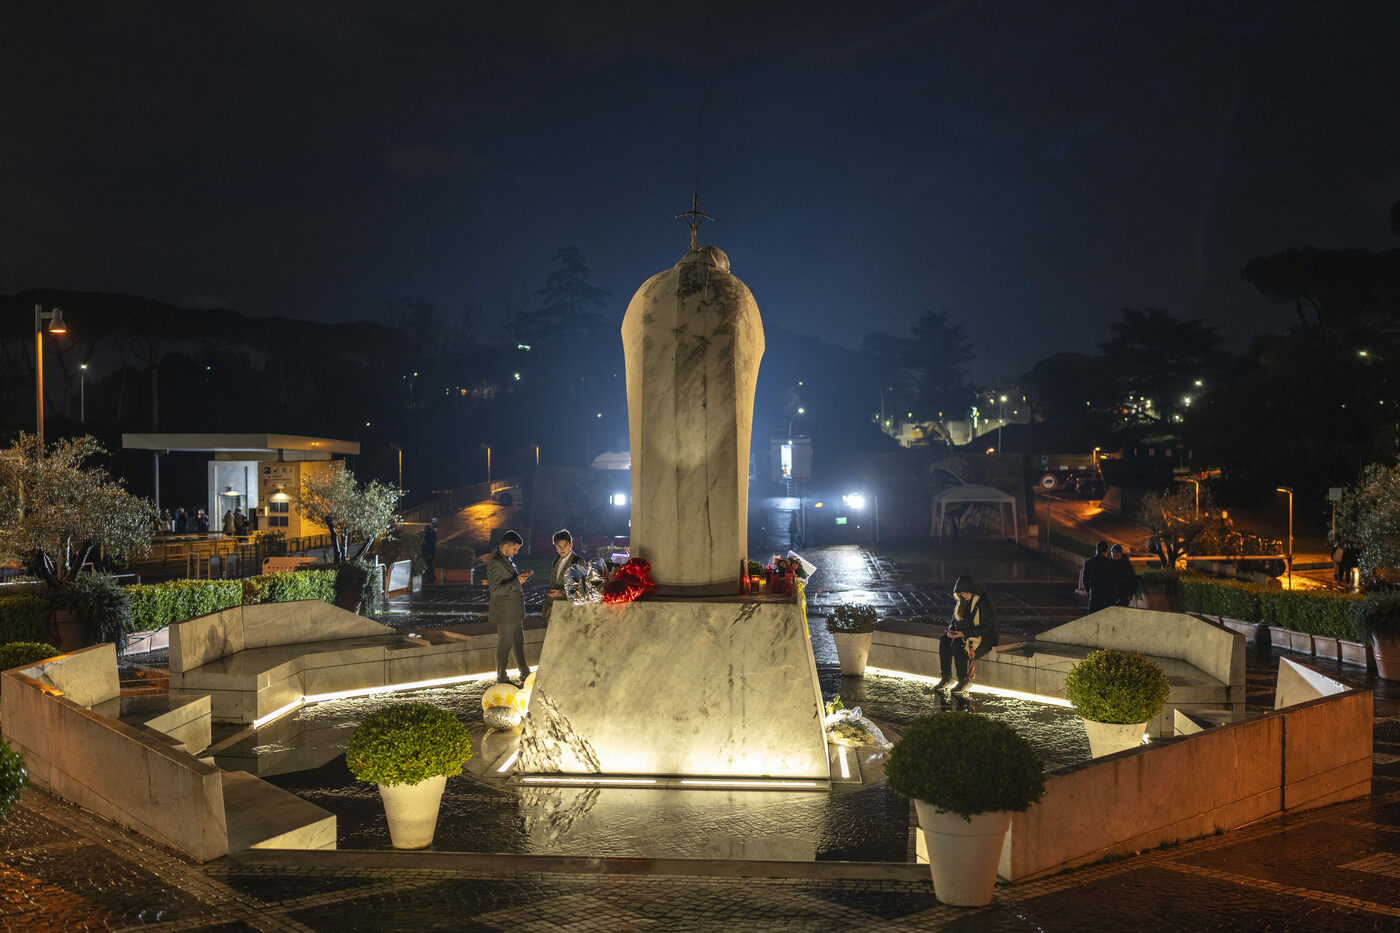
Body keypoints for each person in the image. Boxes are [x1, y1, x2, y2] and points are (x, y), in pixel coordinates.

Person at [934, 575, 998, 695]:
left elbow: (987, 627)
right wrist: (951, 631)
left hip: (984, 637)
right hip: (966, 633)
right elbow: (954, 620)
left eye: (966, 592)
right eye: (961, 593)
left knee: (960, 643)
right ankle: (946, 677)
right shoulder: (962, 602)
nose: (964, 595)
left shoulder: (983, 602)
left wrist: (964, 633)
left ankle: (964, 680)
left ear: (973, 590)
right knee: (944, 640)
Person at [488, 530, 533, 686]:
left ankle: (525, 673)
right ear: (506, 546)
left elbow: (509, 580)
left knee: (518, 642)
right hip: (505, 612)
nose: (516, 552)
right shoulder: (496, 562)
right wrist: (517, 582)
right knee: (505, 644)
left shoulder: (505, 558)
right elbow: (495, 590)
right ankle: (501, 678)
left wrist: (520, 577)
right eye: (515, 549)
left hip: (513, 611)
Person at [544, 529, 585, 622]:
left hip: (569, 610)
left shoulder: (578, 562)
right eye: (559, 546)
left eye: (565, 545)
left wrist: (561, 593)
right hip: (554, 609)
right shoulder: (556, 561)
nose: (562, 549)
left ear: (571, 544)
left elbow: (582, 587)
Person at [1082, 540, 1114, 613]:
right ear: (1106, 550)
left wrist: (1087, 590)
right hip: (1107, 595)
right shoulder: (1110, 563)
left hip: (1094, 593)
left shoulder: (1089, 562)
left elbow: (1085, 578)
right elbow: (1113, 578)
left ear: (1096, 549)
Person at [421, 519, 438, 584]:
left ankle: (431, 577)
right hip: (431, 550)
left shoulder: (428, 535)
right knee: (430, 564)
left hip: (428, 550)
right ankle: (432, 577)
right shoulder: (432, 535)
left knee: (428, 565)